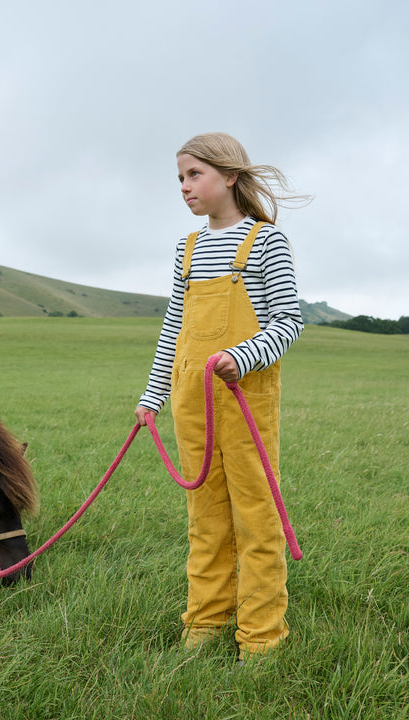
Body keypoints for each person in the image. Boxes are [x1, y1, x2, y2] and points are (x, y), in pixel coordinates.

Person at [136, 132, 308, 662]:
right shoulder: (186, 248)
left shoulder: (265, 241)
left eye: (194, 175)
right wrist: (153, 396)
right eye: (180, 179)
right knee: (205, 518)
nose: (185, 187)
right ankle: (205, 623)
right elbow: (174, 327)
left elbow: (289, 321)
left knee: (256, 519)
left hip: (244, 400)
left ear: (230, 176)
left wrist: (245, 355)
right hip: (192, 400)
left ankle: (261, 638)